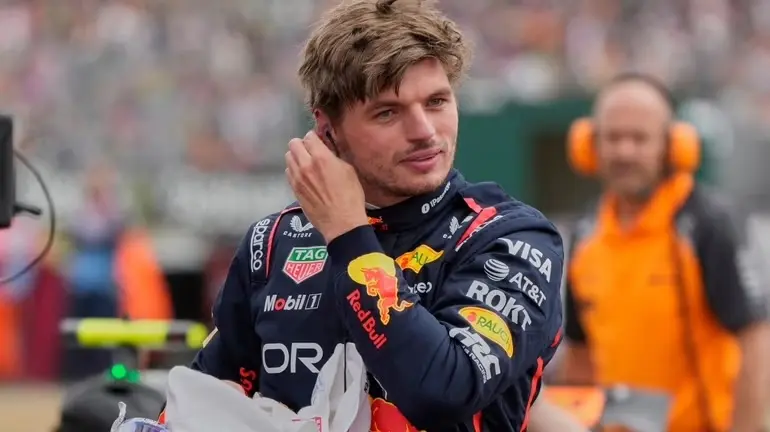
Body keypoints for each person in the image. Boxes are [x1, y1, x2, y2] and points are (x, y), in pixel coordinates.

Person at [159, 0, 566, 430]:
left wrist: (348, 234)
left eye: (436, 102)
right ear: (327, 131)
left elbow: (445, 392)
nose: (424, 131)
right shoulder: (273, 241)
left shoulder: (509, 236)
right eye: (387, 112)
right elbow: (202, 399)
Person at [557, 73, 770, 432]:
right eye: (613, 137)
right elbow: (580, 355)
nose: (624, 151)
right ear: (589, 144)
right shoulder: (585, 234)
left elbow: (755, 340)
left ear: (673, 146)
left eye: (639, 138)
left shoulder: (706, 225)